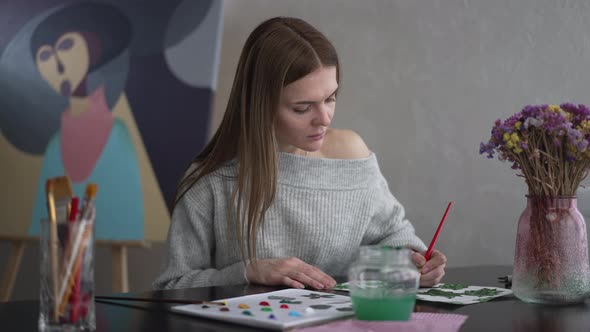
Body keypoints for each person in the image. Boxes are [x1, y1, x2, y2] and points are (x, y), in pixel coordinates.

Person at [153, 16, 446, 290]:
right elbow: (172, 286)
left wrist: (413, 259)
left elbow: (392, 233)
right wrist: (249, 271)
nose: (324, 118)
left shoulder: (351, 154)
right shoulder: (212, 181)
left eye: (330, 98)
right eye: (302, 108)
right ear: (261, 104)